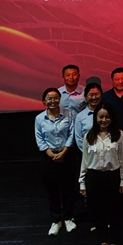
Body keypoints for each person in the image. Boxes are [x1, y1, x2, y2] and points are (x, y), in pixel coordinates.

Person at [79, 102, 123, 245]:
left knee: (114, 211)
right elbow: (85, 161)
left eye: (107, 117)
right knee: (97, 212)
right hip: (94, 178)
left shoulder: (119, 135)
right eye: (101, 117)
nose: (104, 120)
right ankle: (104, 244)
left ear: (112, 118)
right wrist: (82, 182)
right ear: (96, 118)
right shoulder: (89, 136)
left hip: (112, 176)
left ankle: (114, 244)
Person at [35, 87, 76, 235]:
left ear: (60, 99)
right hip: (49, 157)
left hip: (67, 155)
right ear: (44, 101)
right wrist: (52, 154)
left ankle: (69, 218)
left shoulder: (69, 114)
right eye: (49, 98)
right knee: (52, 189)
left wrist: (64, 152)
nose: (53, 101)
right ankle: (56, 220)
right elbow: (40, 138)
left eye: (55, 98)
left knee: (68, 188)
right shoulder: (39, 118)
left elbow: (72, 134)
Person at [74, 83, 104, 153]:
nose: (94, 97)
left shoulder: (107, 113)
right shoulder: (80, 116)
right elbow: (79, 139)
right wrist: (89, 152)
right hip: (88, 153)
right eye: (91, 95)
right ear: (85, 97)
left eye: (97, 94)